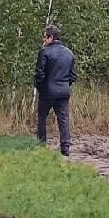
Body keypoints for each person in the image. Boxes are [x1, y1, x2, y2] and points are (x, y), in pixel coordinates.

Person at [34, 26, 76, 156]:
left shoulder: (45, 52)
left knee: (42, 118)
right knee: (63, 119)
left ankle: (41, 144)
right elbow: (72, 76)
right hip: (64, 91)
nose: (43, 39)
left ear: (51, 37)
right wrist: (65, 85)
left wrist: (40, 87)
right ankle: (65, 147)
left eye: (45, 36)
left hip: (48, 90)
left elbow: (40, 73)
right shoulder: (69, 53)